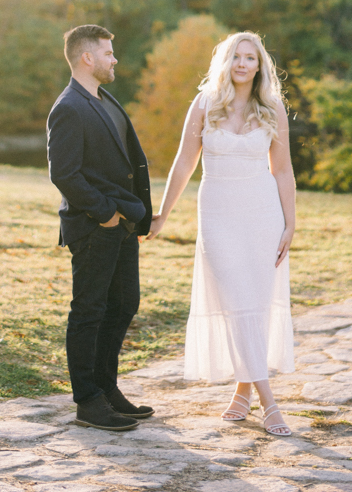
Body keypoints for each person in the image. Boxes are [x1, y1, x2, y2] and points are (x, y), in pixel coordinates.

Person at [147, 31, 296, 436]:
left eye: (250, 57)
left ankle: (243, 392)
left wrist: (290, 224)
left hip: (262, 215)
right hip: (218, 214)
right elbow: (183, 162)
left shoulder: (272, 108)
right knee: (234, 298)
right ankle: (270, 402)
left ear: (260, 65)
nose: (243, 64)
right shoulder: (205, 104)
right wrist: (162, 213)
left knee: (253, 303)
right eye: (236, 56)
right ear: (225, 62)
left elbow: (282, 170)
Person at [47, 24, 154, 432]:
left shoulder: (104, 99)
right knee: (89, 311)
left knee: (124, 305)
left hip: (123, 224)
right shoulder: (68, 107)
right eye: (108, 53)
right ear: (87, 57)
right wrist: (105, 214)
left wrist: (134, 216)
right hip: (95, 227)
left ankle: (107, 389)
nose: (114, 60)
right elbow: (65, 174)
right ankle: (88, 401)